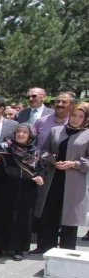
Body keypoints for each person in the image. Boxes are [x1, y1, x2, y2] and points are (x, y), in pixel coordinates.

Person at [30, 104, 89, 254]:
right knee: (49, 210)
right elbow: (43, 150)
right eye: (74, 115)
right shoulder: (56, 130)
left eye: (81, 117)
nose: (76, 119)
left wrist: (74, 164)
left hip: (74, 180)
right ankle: (44, 246)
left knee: (70, 215)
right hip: (53, 178)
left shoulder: (87, 135)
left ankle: (67, 250)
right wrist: (50, 159)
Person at [0, 124, 46, 261]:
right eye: (19, 131)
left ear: (31, 136)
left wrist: (40, 177)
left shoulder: (35, 153)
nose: (21, 134)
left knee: (22, 220)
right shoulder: (4, 148)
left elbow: (41, 170)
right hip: (3, 190)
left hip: (26, 193)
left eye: (25, 132)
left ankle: (18, 249)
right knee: (1, 217)